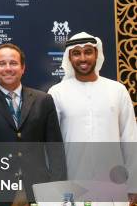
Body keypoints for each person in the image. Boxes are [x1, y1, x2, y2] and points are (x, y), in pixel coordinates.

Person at [0, 43, 65, 206]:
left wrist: (56, 187)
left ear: (23, 68)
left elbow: (55, 148)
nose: (8, 68)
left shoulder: (43, 100)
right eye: (2, 63)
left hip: (36, 194)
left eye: (13, 63)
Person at [49, 32, 137, 189]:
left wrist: (133, 184)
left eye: (88, 52)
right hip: (72, 180)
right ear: (69, 58)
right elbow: (50, 144)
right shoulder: (57, 92)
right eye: (76, 53)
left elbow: (130, 138)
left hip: (114, 180)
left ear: (97, 54)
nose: (83, 58)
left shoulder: (117, 90)